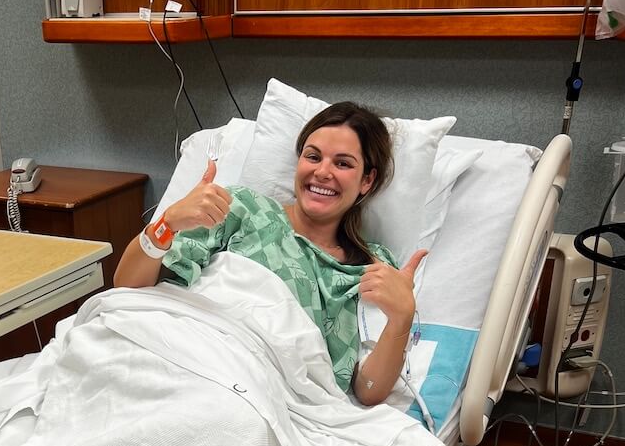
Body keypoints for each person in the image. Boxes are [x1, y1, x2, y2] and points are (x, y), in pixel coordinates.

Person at [113, 101, 426, 406]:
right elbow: (127, 286)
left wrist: (402, 317)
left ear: (367, 181)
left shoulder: (372, 269)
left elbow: (368, 390)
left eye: (343, 163)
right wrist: (167, 224)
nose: (322, 172)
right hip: (179, 351)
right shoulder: (240, 208)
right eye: (313, 156)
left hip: (256, 392)